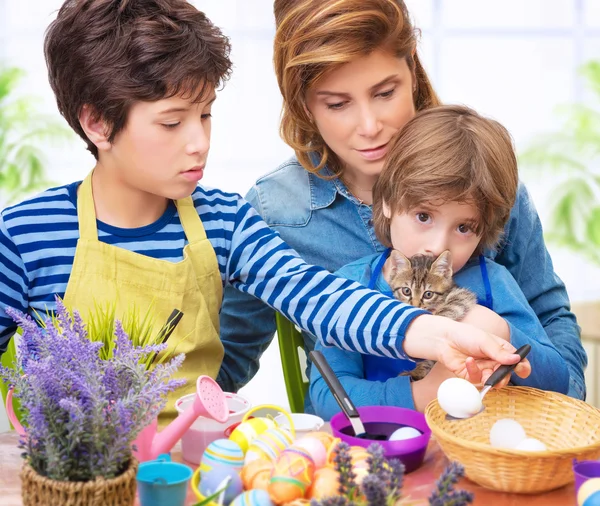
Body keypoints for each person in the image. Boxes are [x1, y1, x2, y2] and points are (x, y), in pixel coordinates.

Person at [0, 0, 524, 423]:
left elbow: (315, 296)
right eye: (171, 122)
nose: (199, 142)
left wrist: (432, 333)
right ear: (96, 123)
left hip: (197, 465)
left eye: (205, 115)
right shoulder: (25, 235)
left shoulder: (227, 222)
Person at [217, 0, 586, 407]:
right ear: (303, 104)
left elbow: (553, 342)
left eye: (385, 92)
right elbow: (225, 366)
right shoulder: (277, 213)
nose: (370, 127)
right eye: (337, 104)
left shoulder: (482, 180)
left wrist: (553, 394)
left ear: (413, 70)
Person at [310, 105, 569, 419]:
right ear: (388, 203)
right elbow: (326, 397)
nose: (437, 246)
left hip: (482, 456)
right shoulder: (352, 286)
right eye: (423, 216)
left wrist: (500, 330)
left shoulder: (494, 283)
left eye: (463, 227)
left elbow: (558, 383)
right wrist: (421, 394)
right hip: (385, 450)